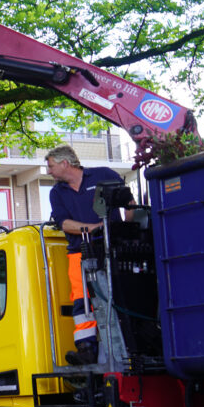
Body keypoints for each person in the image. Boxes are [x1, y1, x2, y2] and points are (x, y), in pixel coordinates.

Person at [46, 145, 132, 365]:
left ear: (65, 163)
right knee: (81, 301)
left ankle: (129, 343)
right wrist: (95, 228)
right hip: (79, 252)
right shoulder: (56, 192)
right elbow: (64, 223)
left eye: (51, 166)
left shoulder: (104, 175)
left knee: (120, 294)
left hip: (113, 248)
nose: (48, 171)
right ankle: (86, 349)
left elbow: (129, 203)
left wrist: (128, 231)